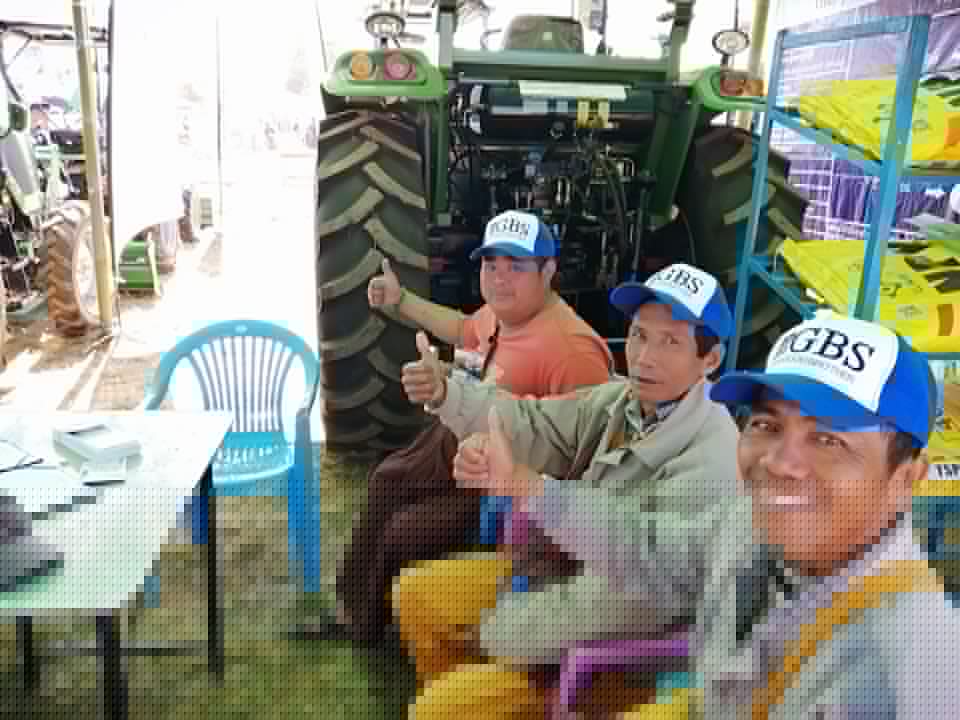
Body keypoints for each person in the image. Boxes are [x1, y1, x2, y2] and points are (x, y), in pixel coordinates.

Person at [393, 262, 742, 718]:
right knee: (416, 597)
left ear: (710, 360)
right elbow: (538, 424)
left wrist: (500, 632)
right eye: (639, 335)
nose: (644, 357)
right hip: (561, 579)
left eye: (670, 342)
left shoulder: (714, 459)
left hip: (620, 655)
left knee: (440, 709)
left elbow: (634, 601)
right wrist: (448, 394)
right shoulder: (623, 403)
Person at [620, 312, 960, 719]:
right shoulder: (758, 529)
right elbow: (652, 548)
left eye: (828, 440)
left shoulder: (897, 676)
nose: (779, 463)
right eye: (767, 424)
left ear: (905, 479)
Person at [302, 209, 613, 646]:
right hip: (454, 438)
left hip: (496, 482)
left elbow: (582, 454)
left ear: (548, 271)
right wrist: (401, 300)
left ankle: (371, 625)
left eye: (516, 266)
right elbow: (466, 328)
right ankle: (351, 608)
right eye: (491, 264)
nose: (499, 278)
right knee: (384, 481)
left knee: (405, 531)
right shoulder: (503, 312)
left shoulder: (573, 351)